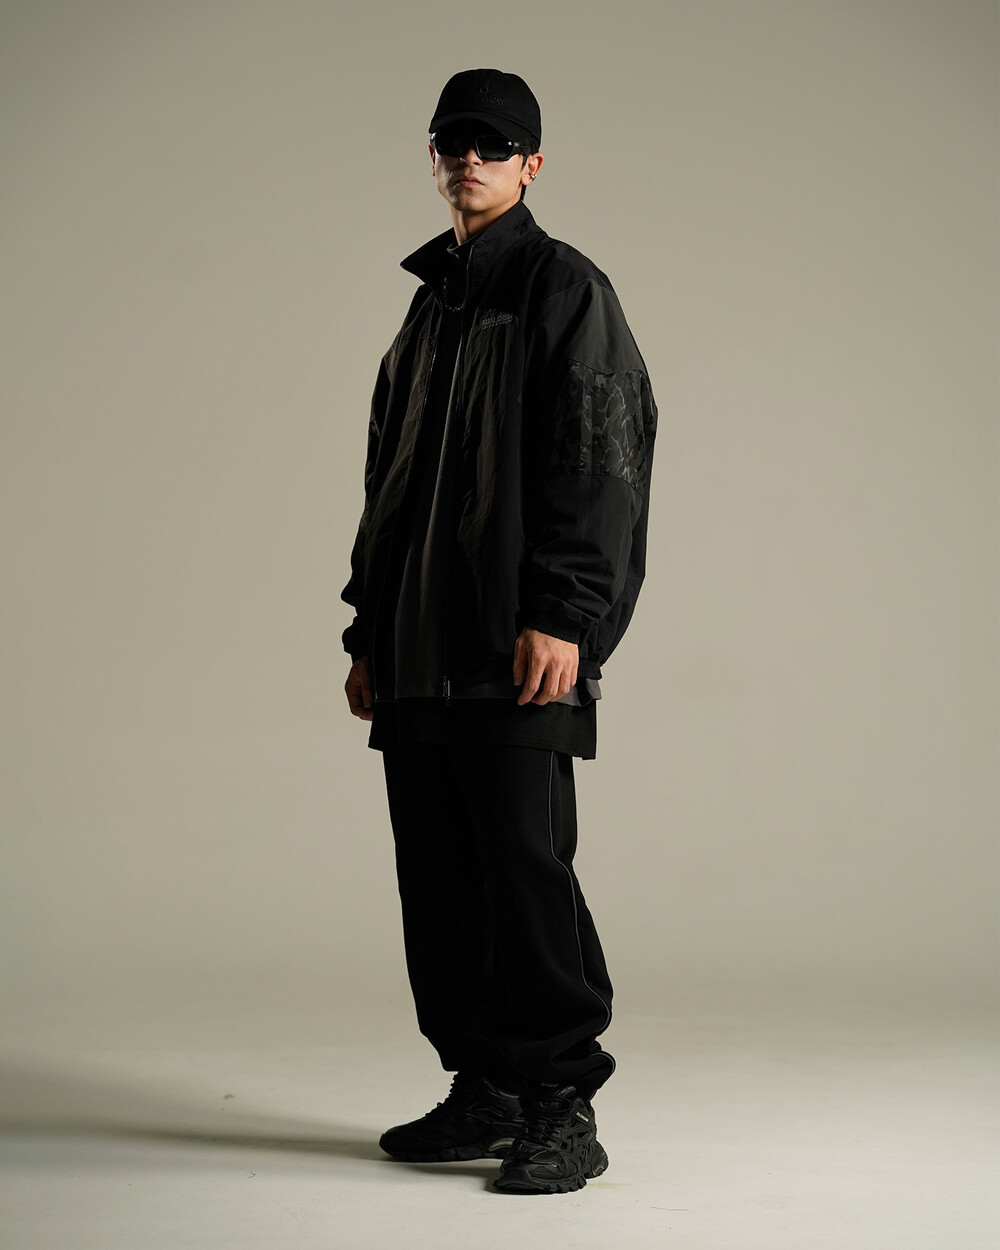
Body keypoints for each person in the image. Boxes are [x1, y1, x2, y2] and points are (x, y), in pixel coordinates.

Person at [340, 68, 657, 1195]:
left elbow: (600, 461)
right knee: (438, 879)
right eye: (453, 141)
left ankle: (561, 1101)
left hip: (519, 648)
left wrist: (565, 614)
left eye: (494, 143)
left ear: (532, 164)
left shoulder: (566, 290)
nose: (469, 159)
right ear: (434, 158)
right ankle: (483, 1083)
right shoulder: (429, 308)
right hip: (419, 650)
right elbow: (388, 481)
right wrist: (367, 631)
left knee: (523, 875)